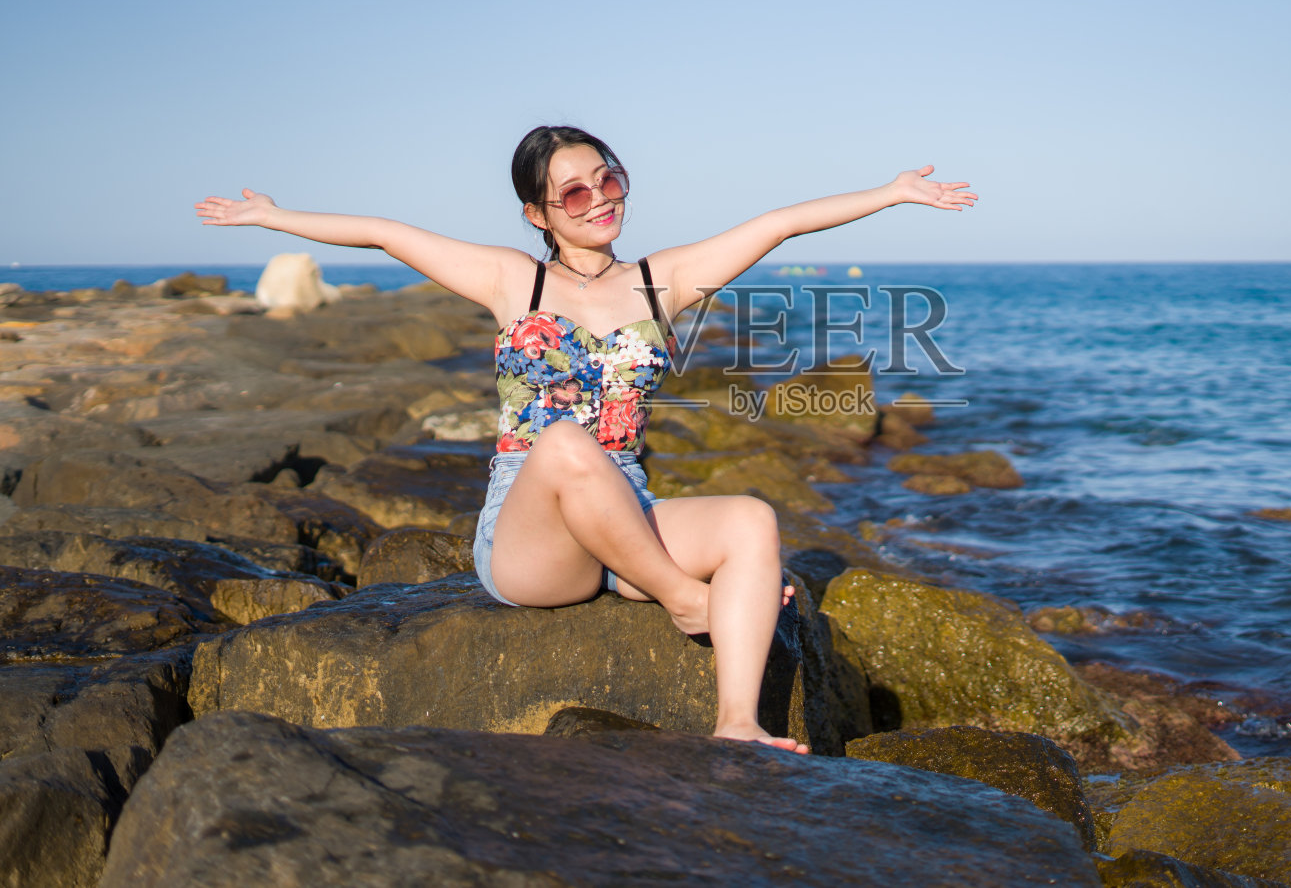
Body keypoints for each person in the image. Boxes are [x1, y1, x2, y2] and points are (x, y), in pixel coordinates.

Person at [195, 124, 977, 753]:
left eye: (609, 178)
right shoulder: (513, 280)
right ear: (538, 214)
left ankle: (739, 721)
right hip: (532, 539)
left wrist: (893, 193)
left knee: (751, 518)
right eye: (574, 190)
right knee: (567, 444)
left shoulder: (659, 282)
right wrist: (273, 216)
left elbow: (778, 224)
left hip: (625, 510)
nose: (599, 198)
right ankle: (684, 598)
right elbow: (382, 233)